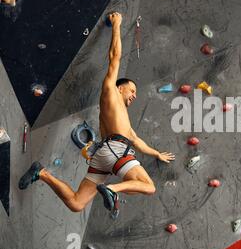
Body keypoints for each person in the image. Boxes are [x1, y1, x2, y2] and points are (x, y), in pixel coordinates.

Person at [18, 12, 175, 214]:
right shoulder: (111, 92)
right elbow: (114, 58)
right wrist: (117, 24)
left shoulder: (122, 117)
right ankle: (111, 190)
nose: (134, 95)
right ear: (120, 87)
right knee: (148, 186)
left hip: (105, 154)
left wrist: (157, 154)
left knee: (76, 203)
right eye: (132, 90)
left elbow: (136, 140)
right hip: (115, 150)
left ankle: (41, 173)